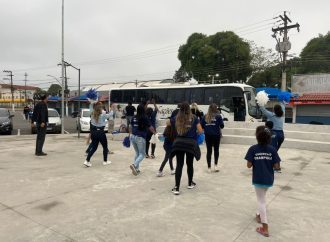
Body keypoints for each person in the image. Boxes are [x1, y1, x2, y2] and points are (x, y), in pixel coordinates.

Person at [245, 126, 281, 237]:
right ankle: (259, 214)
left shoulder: (253, 149)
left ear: (257, 137)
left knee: (261, 201)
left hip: (258, 179)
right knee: (262, 198)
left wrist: (257, 160)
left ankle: (265, 228)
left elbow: (248, 165)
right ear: (269, 138)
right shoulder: (272, 150)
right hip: (269, 179)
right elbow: (277, 166)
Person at [170, 102, 203, 195]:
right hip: (190, 144)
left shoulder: (176, 118)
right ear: (189, 109)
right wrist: (193, 132)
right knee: (189, 164)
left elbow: (168, 123)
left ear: (180, 109)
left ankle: (176, 188)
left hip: (178, 143)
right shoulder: (194, 118)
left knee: (179, 165)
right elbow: (200, 131)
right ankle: (190, 183)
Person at [129, 104, 155, 176]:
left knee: (137, 153)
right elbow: (150, 127)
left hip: (133, 136)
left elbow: (130, 126)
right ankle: (134, 165)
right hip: (140, 137)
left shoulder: (134, 117)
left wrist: (130, 134)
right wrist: (155, 133)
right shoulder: (145, 117)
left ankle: (136, 169)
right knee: (142, 154)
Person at [84, 102, 112, 167]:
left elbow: (90, 106)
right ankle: (105, 161)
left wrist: (92, 102)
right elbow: (110, 115)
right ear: (100, 107)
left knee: (94, 147)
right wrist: (113, 110)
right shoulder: (103, 114)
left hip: (94, 133)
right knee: (105, 147)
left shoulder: (92, 113)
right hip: (100, 132)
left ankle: (87, 161)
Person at [260, 102, 285, 172]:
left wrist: (260, 102)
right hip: (281, 135)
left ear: (274, 110)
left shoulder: (271, 115)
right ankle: (274, 166)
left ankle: (276, 167)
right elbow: (283, 107)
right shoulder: (282, 115)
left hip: (274, 135)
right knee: (275, 151)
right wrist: (283, 103)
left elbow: (263, 110)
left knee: (272, 152)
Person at [201, 103, 224, 172]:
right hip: (216, 135)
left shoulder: (205, 116)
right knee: (216, 150)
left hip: (208, 136)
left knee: (209, 151)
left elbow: (201, 126)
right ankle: (216, 166)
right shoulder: (218, 116)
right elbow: (222, 126)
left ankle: (209, 168)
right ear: (216, 109)